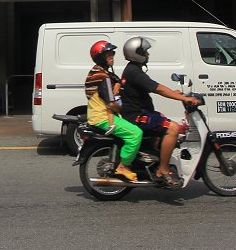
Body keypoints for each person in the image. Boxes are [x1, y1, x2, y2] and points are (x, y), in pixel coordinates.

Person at [118, 36, 201, 190]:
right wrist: (182, 97)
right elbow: (158, 88)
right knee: (173, 128)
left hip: (139, 113)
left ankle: (153, 161)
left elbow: (156, 87)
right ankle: (163, 170)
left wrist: (177, 94)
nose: (148, 55)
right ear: (137, 53)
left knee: (161, 123)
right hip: (137, 116)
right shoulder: (134, 72)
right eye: (145, 52)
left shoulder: (133, 70)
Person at [84, 40, 141, 182]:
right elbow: (112, 104)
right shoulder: (103, 78)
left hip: (97, 116)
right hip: (103, 118)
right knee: (136, 134)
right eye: (108, 54)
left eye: (112, 53)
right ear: (100, 57)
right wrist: (120, 106)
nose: (112, 56)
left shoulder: (97, 73)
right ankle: (123, 166)